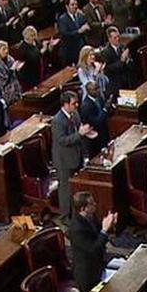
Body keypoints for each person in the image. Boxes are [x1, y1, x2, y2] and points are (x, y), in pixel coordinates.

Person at [51, 91, 94, 219]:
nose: (77, 105)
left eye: (77, 103)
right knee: (65, 190)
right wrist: (80, 134)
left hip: (77, 156)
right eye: (74, 103)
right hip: (64, 160)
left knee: (76, 187)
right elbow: (62, 140)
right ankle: (65, 217)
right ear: (65, 104)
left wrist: (87, 133)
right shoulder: (57, 121)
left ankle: (77, 213)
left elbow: (78, 130)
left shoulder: (75, 114)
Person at [68, 191, 115, 292]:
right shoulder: (77, 228)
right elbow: (94, 249)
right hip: (86, 273)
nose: (95, 205)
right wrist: (104, 230)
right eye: (91, 203)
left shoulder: (91, 217)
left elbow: (99, 236)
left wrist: (109, 226)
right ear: (83, 208)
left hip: (98, 265)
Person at [56, 0, 90, 67]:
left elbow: (86, 27)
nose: (75, 6)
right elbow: (65, 34)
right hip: (69, 50)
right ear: (67, 6)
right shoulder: (63, 19)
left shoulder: (81, 16)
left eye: (76, 4)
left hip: (80, 47)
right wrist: (79, 31)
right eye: (72, 4)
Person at [79, 80, 110, 155]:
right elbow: (96, 122)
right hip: (95, 137)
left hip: (104, 132)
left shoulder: (99, 98)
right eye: (95, 89)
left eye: (98, 88)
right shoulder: (86, 106)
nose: (98, 91)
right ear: (88, 91)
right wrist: (105, 109)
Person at [99, 28, 132, 99]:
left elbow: (129, 64)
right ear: (109, 39)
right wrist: (122, 60)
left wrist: (128, 60)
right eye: (115, 38)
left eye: (118, 36)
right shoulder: (105, 52)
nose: (117, 39)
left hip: (126, 81)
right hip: (115, 84)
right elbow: (109, 69)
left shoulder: (122, 47)